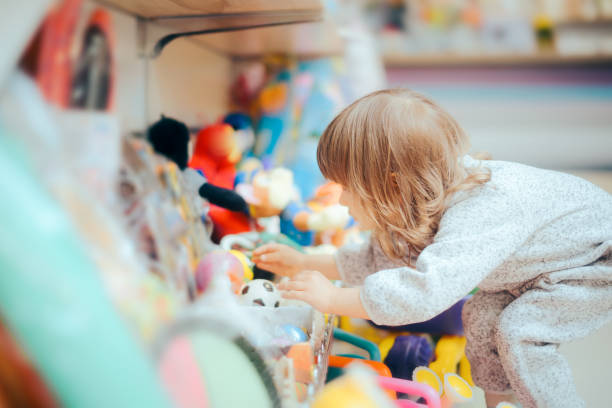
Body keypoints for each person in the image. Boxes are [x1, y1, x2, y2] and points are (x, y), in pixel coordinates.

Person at [252, 89, 612, 408]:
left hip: (591, 262)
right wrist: (302, 261)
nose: (341, 199)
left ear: (391, 186)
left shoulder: (481, 210)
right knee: (483, 316)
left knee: (520, 329)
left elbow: (425, 291)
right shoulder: (427, 196)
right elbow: (382, 257)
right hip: (541, 270)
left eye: (346, 187)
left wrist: (333, 300)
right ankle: (499, 403)